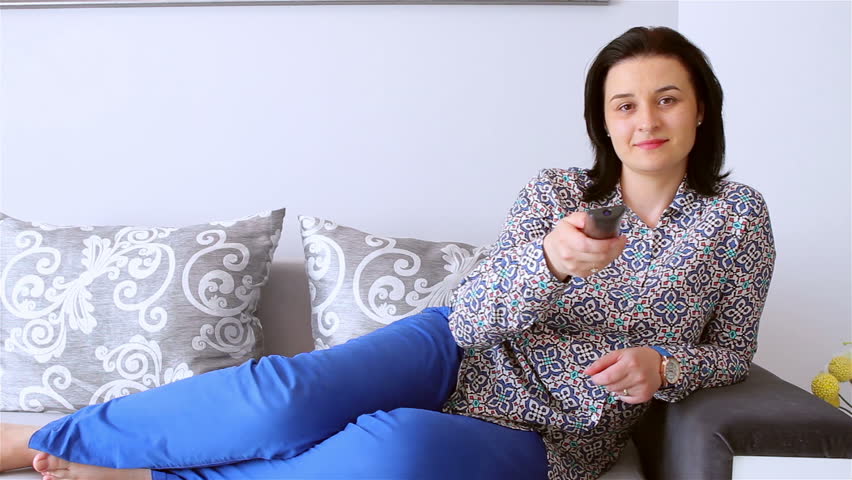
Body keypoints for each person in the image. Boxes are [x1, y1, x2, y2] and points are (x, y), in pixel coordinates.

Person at [0, 25, 775, 480]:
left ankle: (142, 472)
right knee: (285, 397)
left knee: (393, 455)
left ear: (700, 109)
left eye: (667, 99)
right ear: (602, 122)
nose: (646, 121)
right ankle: (36, 440)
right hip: (454, 353)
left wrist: (665, 367)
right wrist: (547, 263)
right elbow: (472, 319)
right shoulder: (555, 193)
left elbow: (733, 352)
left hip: (556, 430)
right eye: (624, 104)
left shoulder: (738, 218)